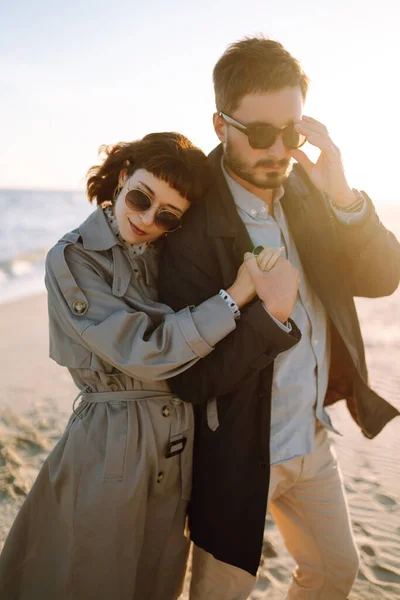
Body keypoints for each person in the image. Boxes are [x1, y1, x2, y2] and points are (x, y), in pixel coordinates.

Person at [0, 131, 293, 600]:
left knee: (157, 581)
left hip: (178, 442)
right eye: (140, 197)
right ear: (121, 177)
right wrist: (237, 295)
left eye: (167, 216)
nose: (146, 219)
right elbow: (146, 350)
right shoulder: (73, 258)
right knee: (94, 575)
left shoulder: (167, 252)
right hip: (111, 440)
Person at [158, 38, 400, 599]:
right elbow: (191, 375)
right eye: (261, 134)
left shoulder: (309, 191)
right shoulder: (195, 227)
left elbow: (382, 278)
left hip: (312, 438)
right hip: (240, 452)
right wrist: (272, 318)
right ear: (220, 126)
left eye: (290, 133)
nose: (279, 150)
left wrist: (342, 193)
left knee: (335, 572)